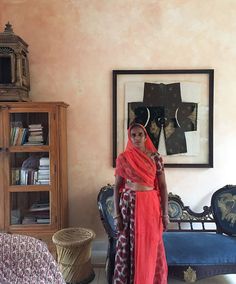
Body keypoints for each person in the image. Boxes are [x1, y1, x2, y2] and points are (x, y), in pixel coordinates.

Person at [113, 123, 169, 284]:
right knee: (128, 243)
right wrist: (117, 215)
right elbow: (117, 187)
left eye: (140, 134)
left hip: (150, 206)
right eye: (133, 135)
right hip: (129, 205)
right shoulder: (124, 158)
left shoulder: (156, 157)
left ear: (146, 137)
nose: (137, 138)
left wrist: (165, 214)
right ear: (130, 138)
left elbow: (163, 186)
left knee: (152, 243)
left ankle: (149, 279)